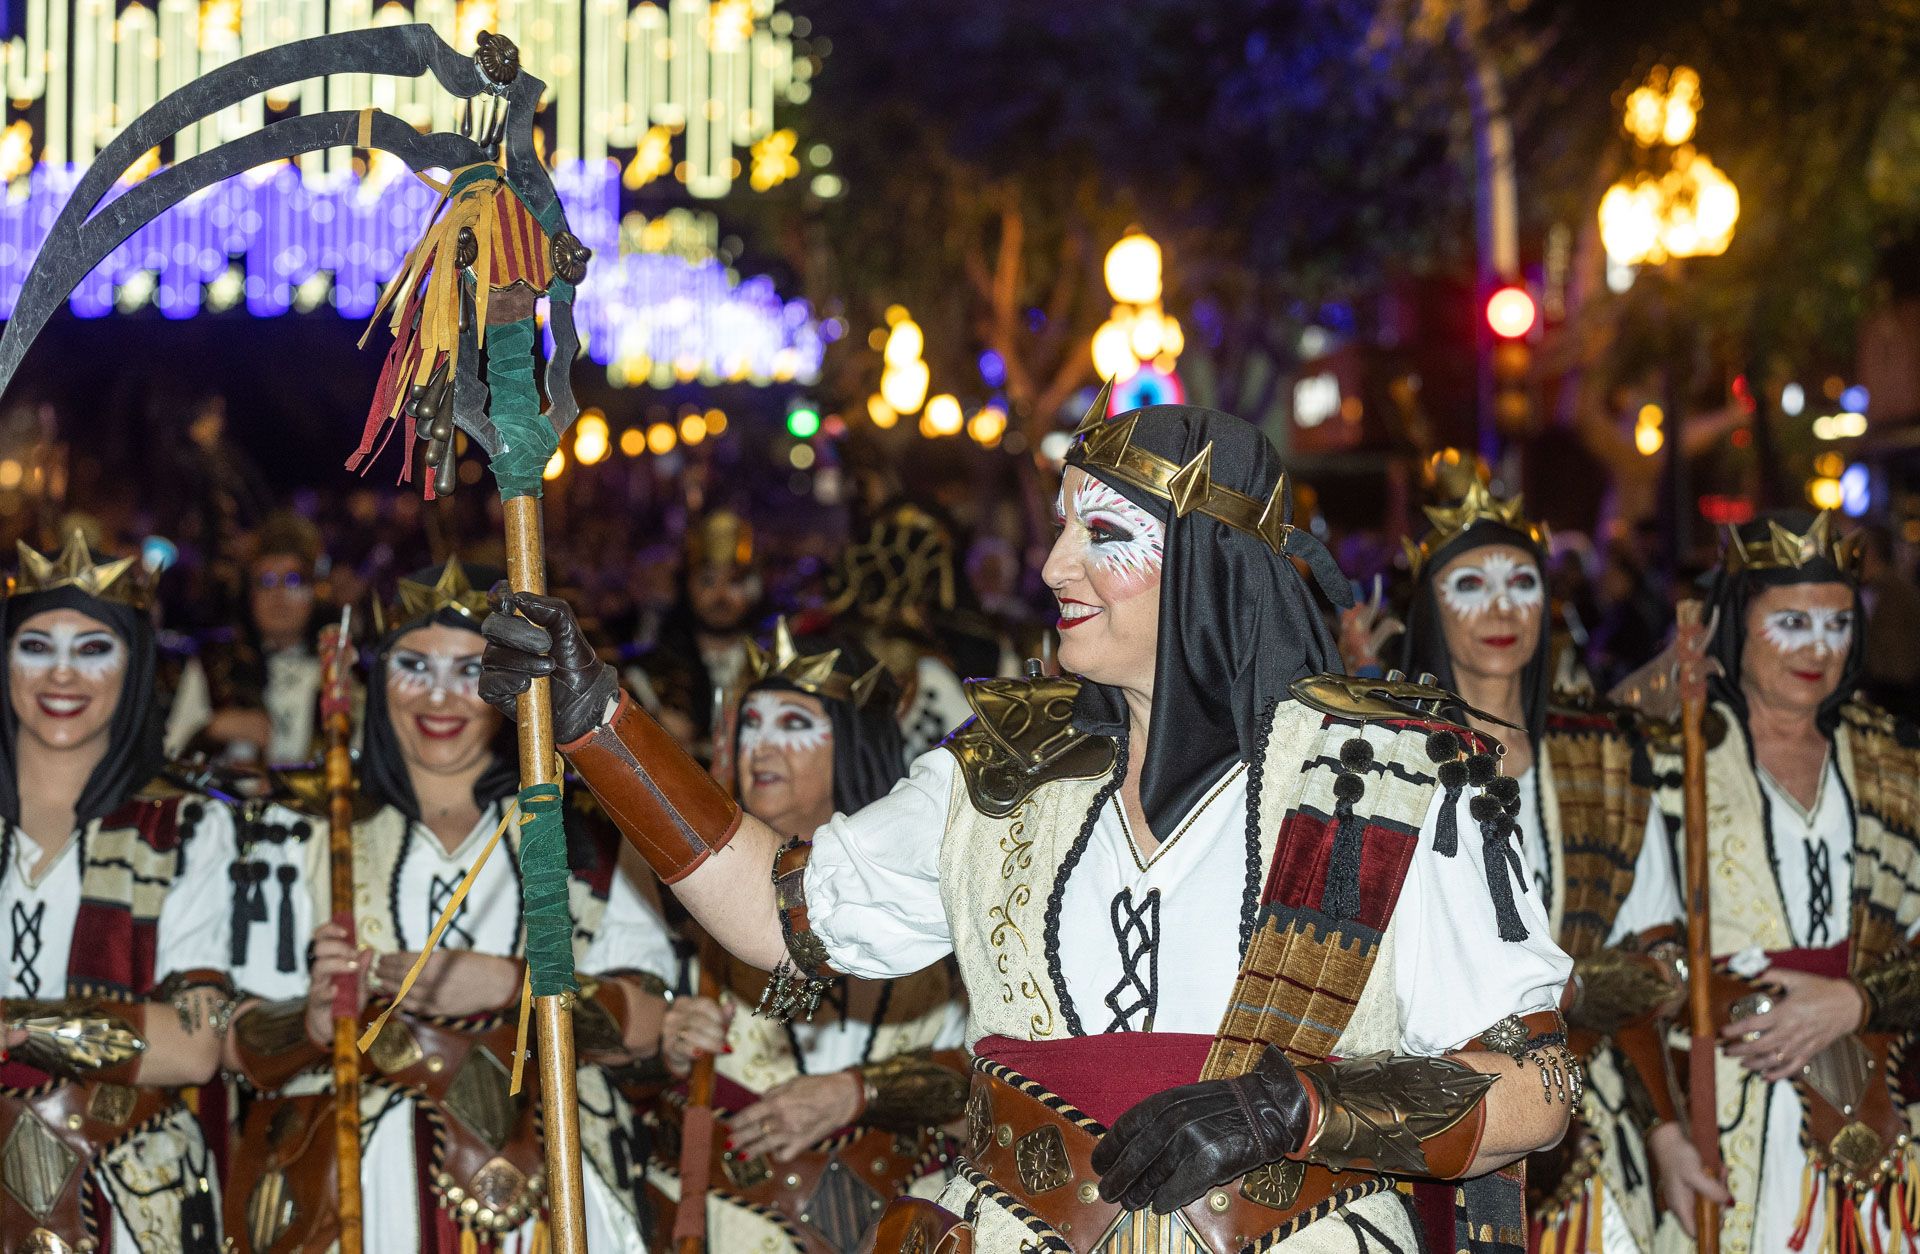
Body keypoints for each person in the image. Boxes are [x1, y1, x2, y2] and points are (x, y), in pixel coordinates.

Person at [483, 401, 1580, 1252]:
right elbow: (779, 915)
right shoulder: (995, 783)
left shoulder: (1399, 779)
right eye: (1058, 530)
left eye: (1102, 534)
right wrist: (602, 729)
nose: (1055, 567)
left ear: (1206, 565)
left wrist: (1293, 1107)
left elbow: (1538, 1088)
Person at [218, 558, 677, 1254]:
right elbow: (236, 1036)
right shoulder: (303, 836)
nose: (440, 698)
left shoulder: (582, 835)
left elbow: (652, 1022)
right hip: (354, 1197)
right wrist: (310, 1020)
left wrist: (512, 988)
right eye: (415, 667)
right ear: (377, 680)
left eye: (470, 671)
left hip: (549, 1185)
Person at [1396, 483, 1702, 1252]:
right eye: (1471, 585)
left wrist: (1667, 1131)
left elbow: (1661, 968)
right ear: (1429, 609)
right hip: (1439, 1121)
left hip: (1595, 1122)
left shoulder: (1603, 756)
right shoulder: (1389, 762)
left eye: (1522, 583)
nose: (1502, 609)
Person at [1634, 513, 1920, 1254]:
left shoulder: (1897, 762)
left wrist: (1854, 999)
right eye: (1791, 622)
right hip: (1720, 1105)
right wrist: (1663, 1135)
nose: (1818, 649)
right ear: (1737, 624)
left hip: (1878, 1102)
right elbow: (1627, 961)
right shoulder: (1672, 760)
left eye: (1838, 624)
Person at [650, 622, 967, 1253]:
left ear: (851, 741)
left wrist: (859, 1092)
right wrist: (666, 1036)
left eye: (794, 725)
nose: (760, 748)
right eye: (751, 724)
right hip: (723, 1225)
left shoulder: (934, 868)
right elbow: (608, 1021)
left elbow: (987, 1082)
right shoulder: (673, 874)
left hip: (899, 1223)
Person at [0, 531, 239, 1252]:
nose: (62, 676)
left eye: (93, 649)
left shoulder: (187, 824)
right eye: (36, 646)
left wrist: (17, 1028)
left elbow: (196, 1045)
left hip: (132, 1191)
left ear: (134, 666)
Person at [165, 511, 333, 764]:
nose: (278, 595)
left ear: (315, 591)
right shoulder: (215, 665)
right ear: (249, 593)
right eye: (265, 582)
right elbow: (170, 760)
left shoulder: (342, 668)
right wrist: (212, 731)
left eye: (293, 580)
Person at [624, 511, 765, 759]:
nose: (721, 596)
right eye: (708, 581)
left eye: (734, 582)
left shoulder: (771, 664)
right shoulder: (651, 673)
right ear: (688, 586)